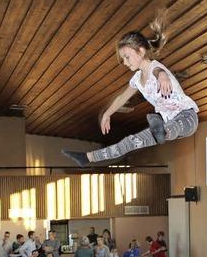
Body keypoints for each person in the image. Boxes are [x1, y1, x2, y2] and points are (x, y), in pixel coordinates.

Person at [62, 10, 198, 166]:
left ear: (141, 51)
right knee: (130, 142)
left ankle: (162, 129)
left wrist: (163, 76)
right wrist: (107, 114)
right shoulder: (137, 80)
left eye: (127, 57)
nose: (125, 63)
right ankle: (87, 158)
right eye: (123, 59)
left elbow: (157, 70)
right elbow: (122, 98)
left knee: (171, 127)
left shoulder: (155, 67)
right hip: (165, 124)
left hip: (187, 118)